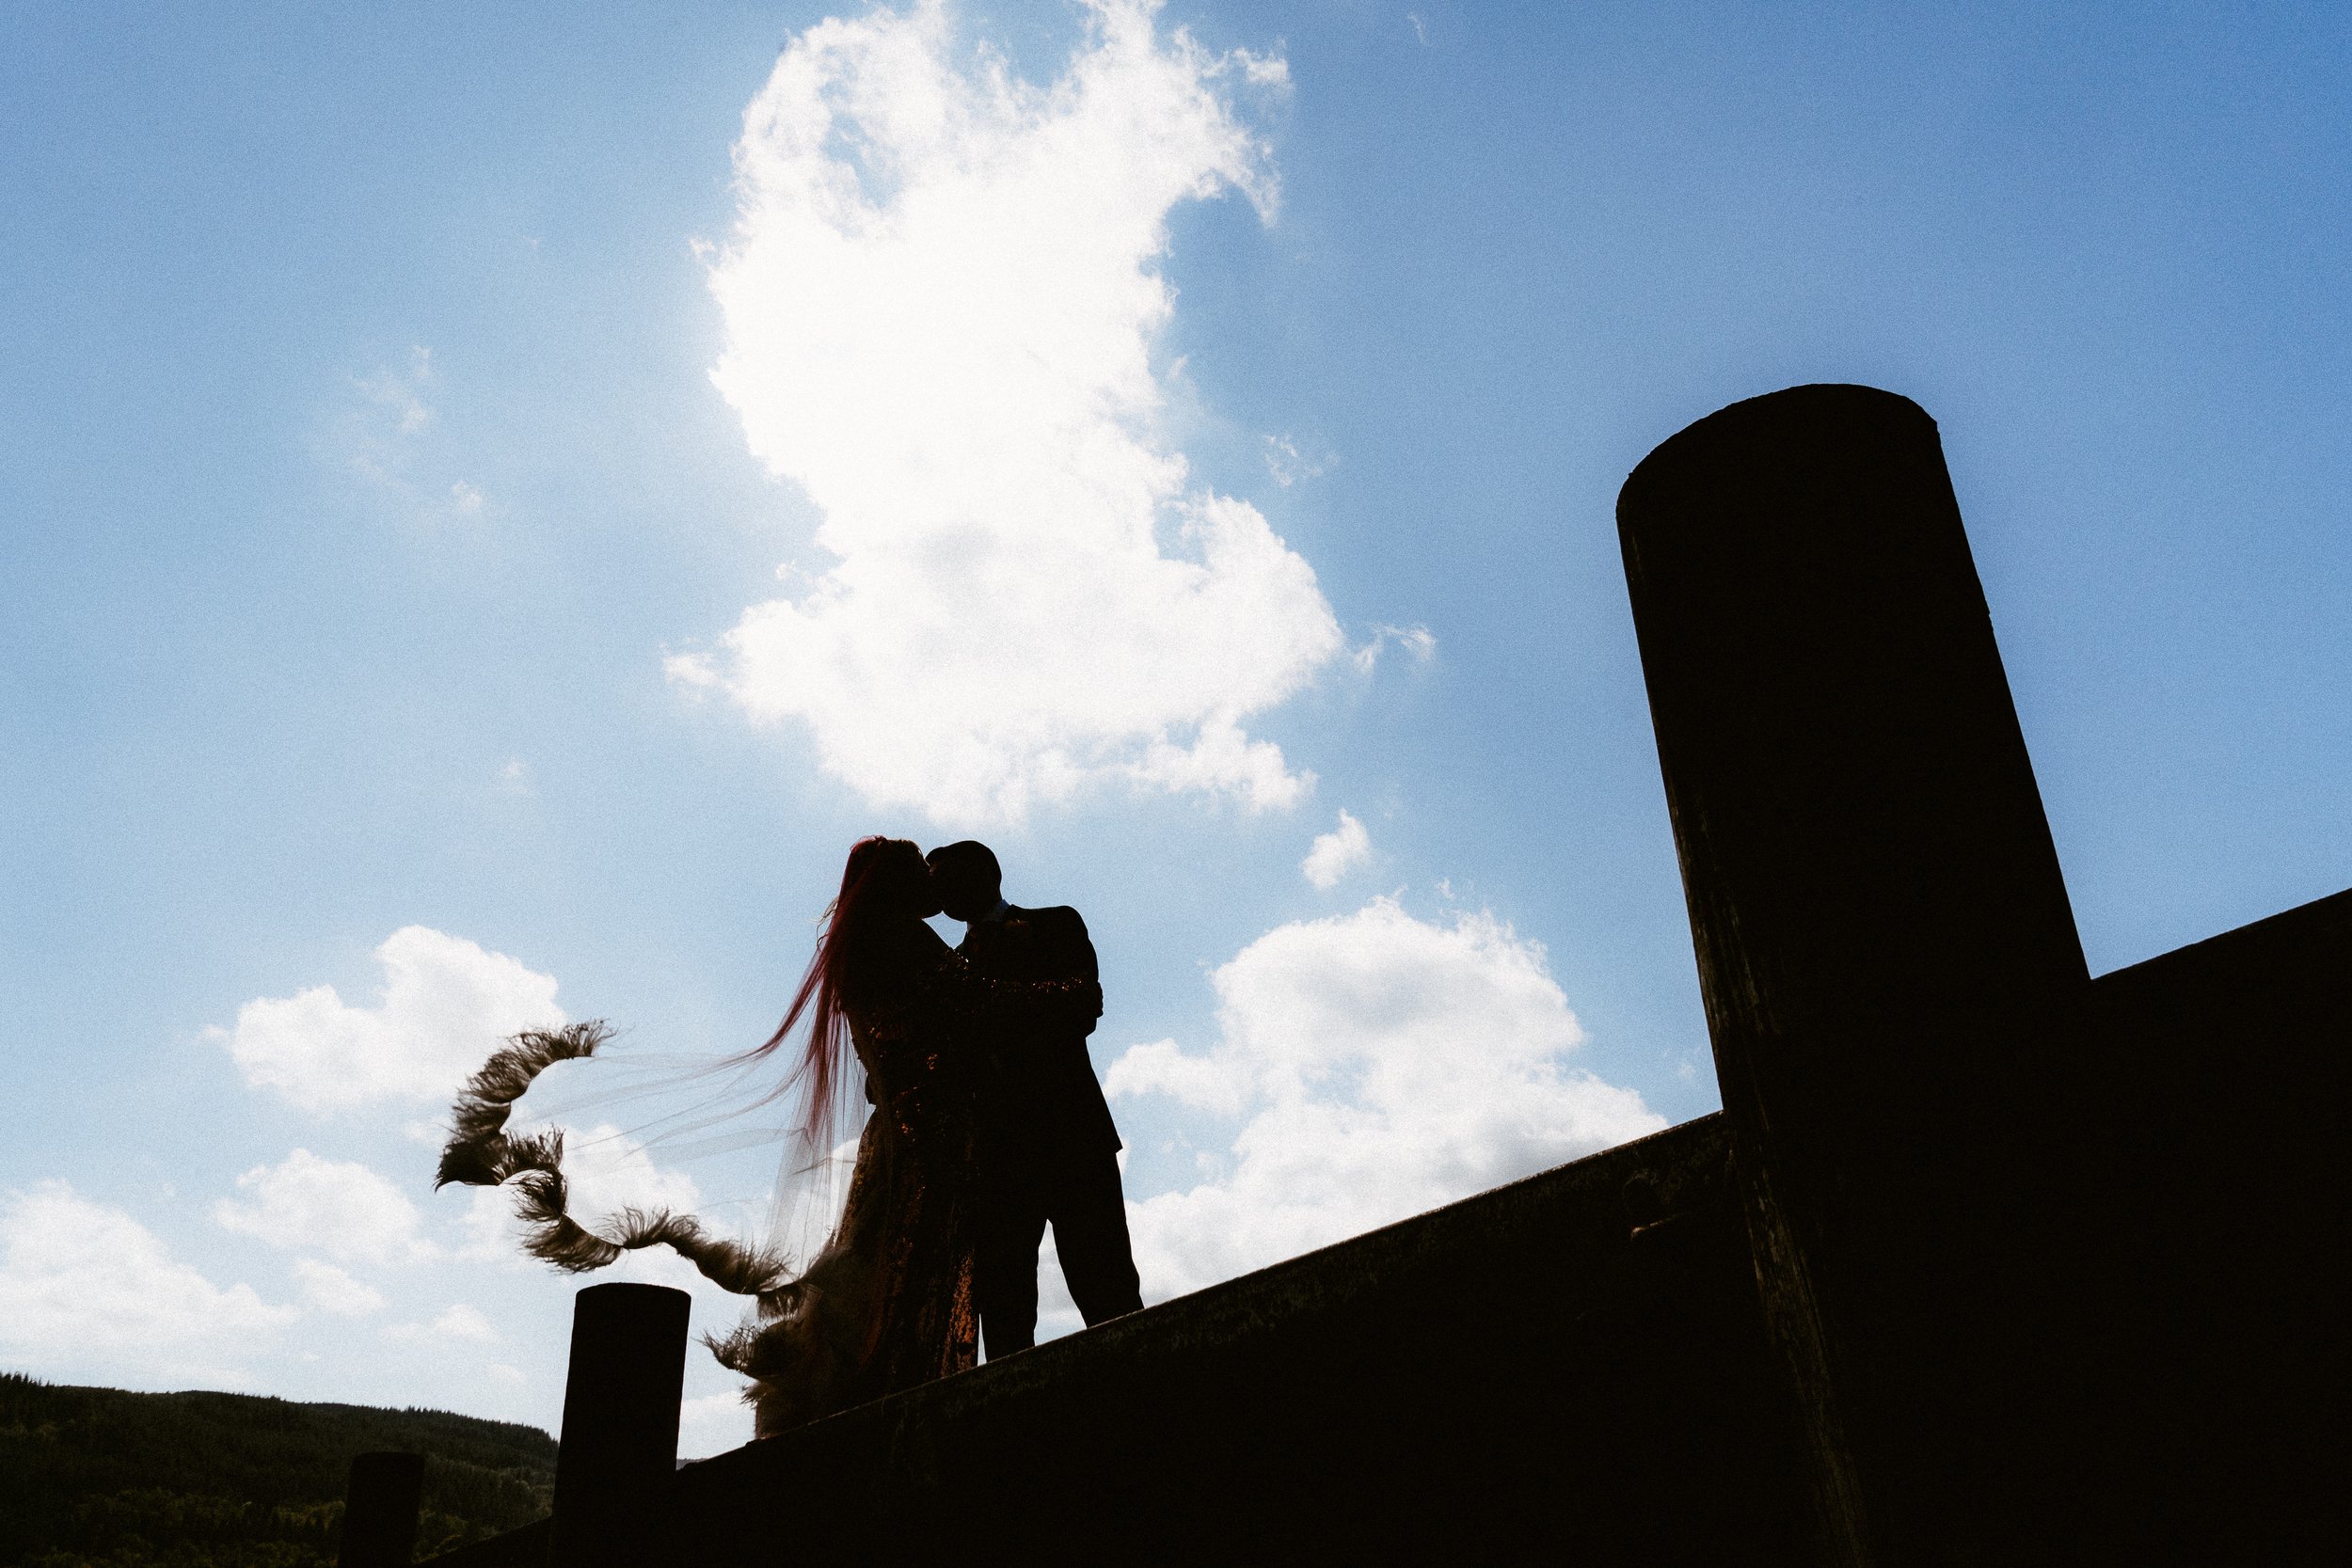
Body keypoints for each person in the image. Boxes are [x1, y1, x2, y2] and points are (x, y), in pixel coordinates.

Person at [716, 836, 1103, 1433]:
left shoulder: (883, 942)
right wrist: (1065, 996)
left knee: (903, 1266)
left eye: (943, 876)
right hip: (941, 1138)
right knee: (944, 1283)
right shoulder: (907, 941)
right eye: (924, 875)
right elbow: (971, 1006)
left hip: (1026, 1134)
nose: (936, 891)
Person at [926, 840, 1143, 1358]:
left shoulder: (1056, 923)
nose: (939, 894)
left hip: (1073, 1137)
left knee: (1107, 1287)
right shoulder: (945, 967)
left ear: (987, 874)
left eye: (946, 878)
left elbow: (1081, 1011)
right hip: (997, 1160)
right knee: (1005, 1310)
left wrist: (993, 1016)